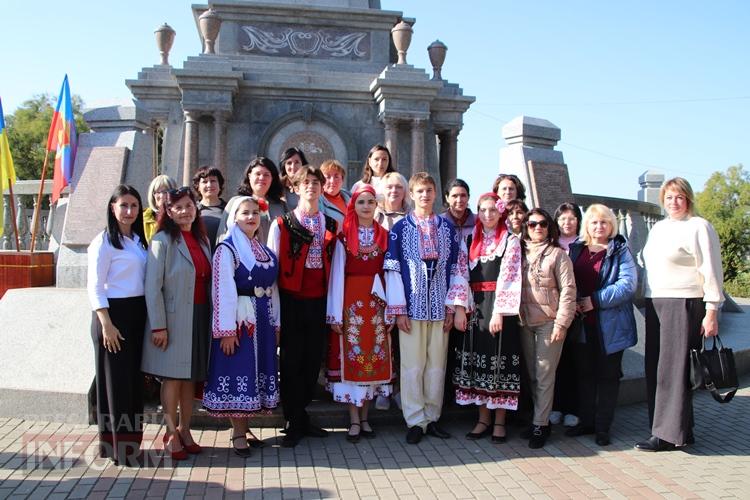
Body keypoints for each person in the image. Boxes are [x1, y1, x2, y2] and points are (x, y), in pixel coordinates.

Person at [635, 177, 723, 452]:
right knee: (657, 367)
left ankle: (667, 434)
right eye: (669, 197)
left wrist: (712, 311)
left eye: (679, 197)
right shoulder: (659, 228)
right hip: (656, 301)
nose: (674, 202)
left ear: (688, 199)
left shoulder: (698, 226)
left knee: (674, 369)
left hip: (684, 301)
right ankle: (677, 428)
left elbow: (711, 269)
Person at [385, 172, 469, 445]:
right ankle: (414, 419)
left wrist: (451, 307)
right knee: (412, 365)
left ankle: (432, 417)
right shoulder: (400, 229)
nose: (424, 195)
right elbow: (393, 270)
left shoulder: (447, 229)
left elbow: (458, 268)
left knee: (436, 365)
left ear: (435, 194)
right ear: (411, 194)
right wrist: (398, 310)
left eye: (429, 190)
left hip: (439, 307)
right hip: (411, 308)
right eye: (419, 191)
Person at [203, 196, 280, 457]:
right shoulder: (227, 249)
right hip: (240, 320)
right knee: (240, 371)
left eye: (255, 212)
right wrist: (226, 331)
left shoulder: (263, 250)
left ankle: (245, 429)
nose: (251, 217)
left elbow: (273, 289)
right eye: (245, 212)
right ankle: (237, 432)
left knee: (254, 374)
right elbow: (223, 291)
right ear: (234, 217)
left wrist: (276, 321)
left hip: (263, 318)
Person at [268, 166, 338, 448]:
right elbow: (272, 268)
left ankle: (302, 414)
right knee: (291, 359)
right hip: (290, 299)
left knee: (312, 359)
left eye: (316, 182)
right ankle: (293, 419)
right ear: (295, 188)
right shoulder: (281, 224)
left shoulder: (331, 224)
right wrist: (275, 315)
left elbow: (336, 267)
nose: (311, 186)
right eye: (305, 182)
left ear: (322, 188)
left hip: (319, 298)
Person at [142, 187, 211, 460]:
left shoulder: (202, 240)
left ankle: (186, 430)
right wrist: (158, 325)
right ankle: (170, 432)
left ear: (196, 207)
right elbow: (152, 287)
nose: (185, 211)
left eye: (189, 205)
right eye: (178, 207)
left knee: (190, 378)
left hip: (199, 315)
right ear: (168, 212)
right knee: (172, 377)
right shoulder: (162, 240)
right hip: (172, 320)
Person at [452, 193, 522, 443]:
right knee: (477, 363)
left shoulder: (510, 241)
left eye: (493, 210)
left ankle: (500, 421)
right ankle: (483, 419)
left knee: (498, 361)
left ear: (500, 212)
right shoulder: (469, 239)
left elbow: (510, 277)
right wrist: (459, 308)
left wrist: (499, 312)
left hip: (498, 308)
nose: (488, 214)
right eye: (482, 210)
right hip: (475, 306)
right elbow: (460, 272)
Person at [87, 184, 148, 466]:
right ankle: (117, 449)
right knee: (115, 385)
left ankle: (132, 444)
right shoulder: (104, 242)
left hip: (136, 315)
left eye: (134, 205)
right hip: (112, 316)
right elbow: (95, 287)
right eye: (123, 205)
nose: (129, 211)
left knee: (133, 384)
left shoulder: (138, 240)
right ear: (112, 208)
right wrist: (106, 324)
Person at [326, 185, 392, 442]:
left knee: (372, 359)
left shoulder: (385, 236)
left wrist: (391, 310)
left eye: (370, 201)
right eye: (361, 201)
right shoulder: (345, 237)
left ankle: (365, 418)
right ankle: (354, 419)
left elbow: (390, 274)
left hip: (377, 302)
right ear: (353, 205)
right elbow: (336, 276)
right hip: (350, 301)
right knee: (351, 357)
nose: (366, 206)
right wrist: (335, 314)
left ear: (377, 206)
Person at [566, 204, 637, 446]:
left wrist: (594, 301)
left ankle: (603, 427)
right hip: (582, 325)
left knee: (608, 376)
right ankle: (586, 421)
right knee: (584, 375)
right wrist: (573, 302)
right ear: (587, 225)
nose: (599, 227)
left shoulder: (619, 251)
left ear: (611, 225)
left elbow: (627, 285)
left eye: (604, 222)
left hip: (610, 325)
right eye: (594, 222)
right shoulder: (577, 249)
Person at [519, 208, 576, 449]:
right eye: (532, 224)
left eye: (542, 224)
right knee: (532, 374)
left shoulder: (558, 254)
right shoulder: (518, 251)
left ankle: (540, 425)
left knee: (544, 375)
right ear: (526, 227)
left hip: (548, 322)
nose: (538, 228)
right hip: (523, 321)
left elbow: (569, 290)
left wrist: (562, 323)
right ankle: (538, 419)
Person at [549, 202, 584, 428]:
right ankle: (556, 406)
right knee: (555, 363)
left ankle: (573, 408)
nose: (567, 223)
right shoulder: (550, 245)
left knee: (575, 361)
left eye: (571, 218)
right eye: (562, 219)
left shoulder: (585, 245)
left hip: (579, 312)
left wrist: (579, 302)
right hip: (553, 313)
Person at [225, 157, 288, 244]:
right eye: (257, 174)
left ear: (272, 178)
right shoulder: (236, 202)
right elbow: (224, 234)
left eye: (266, 175)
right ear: (249, 176)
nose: (261, 178)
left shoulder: (281, 206)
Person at [193, 166, 227, 251]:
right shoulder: (193, 210)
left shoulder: (229, 209)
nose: (209, 185)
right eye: (204, 182)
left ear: (220, 185)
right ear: (198, 187)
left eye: (213, 181)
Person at [143, 174, 177, 243]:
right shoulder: (143, 218)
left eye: (165, 192)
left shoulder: (179, 216)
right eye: (158, 192)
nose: (161, 196)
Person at [441, 178, 476, 243]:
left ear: (468, 197)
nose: (459, 200)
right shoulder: (439, 222)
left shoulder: (478, 221)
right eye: (454, 196)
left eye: (463, 195)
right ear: (447, 198)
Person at [319, 159, 352, 226]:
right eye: (328, 177)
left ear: (342, 179)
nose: (332, 181)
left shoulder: (351, 198)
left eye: (336, 176)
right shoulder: (316, 201)